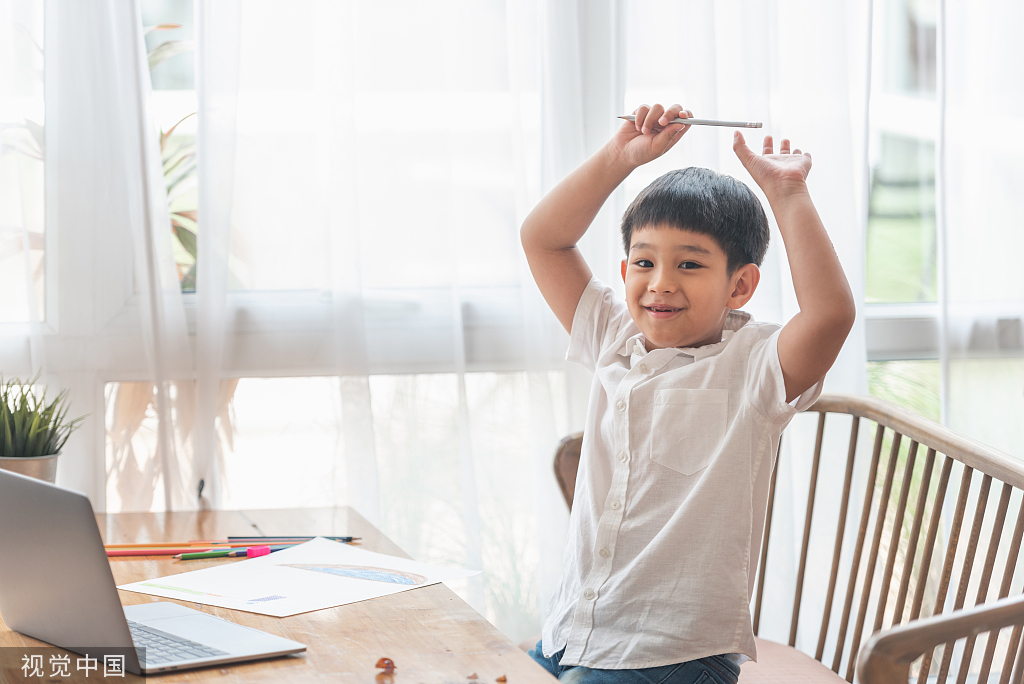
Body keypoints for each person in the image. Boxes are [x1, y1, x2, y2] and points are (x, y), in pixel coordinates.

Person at [520, 103, 856, 684]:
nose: (661, 283)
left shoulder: (754, 366)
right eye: (644, 263)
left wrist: (789, 194)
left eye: (691, 264)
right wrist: (618, 158)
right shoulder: (612, 334)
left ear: (741, 284)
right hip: (578, 629)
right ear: (624, 270)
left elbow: (829, 314)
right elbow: (543, 239)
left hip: (678, 654)